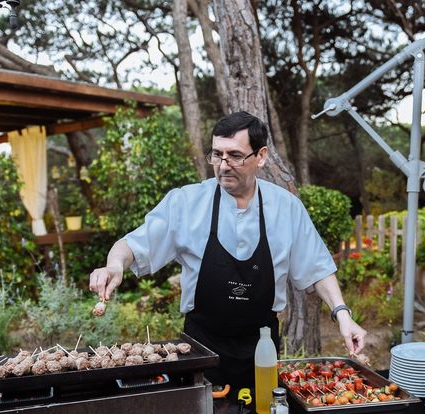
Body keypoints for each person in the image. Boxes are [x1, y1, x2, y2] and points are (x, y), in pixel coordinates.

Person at [89, 111, 367, 389]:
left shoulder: (287, 208)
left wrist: (343, 314)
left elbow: (317, 268)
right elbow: (131, 245)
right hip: (200, 348)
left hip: (262, 347)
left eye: (235, 155)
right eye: (217, 155)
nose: (223, 165)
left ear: (261, 156)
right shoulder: (185, 203)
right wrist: (114, 265)